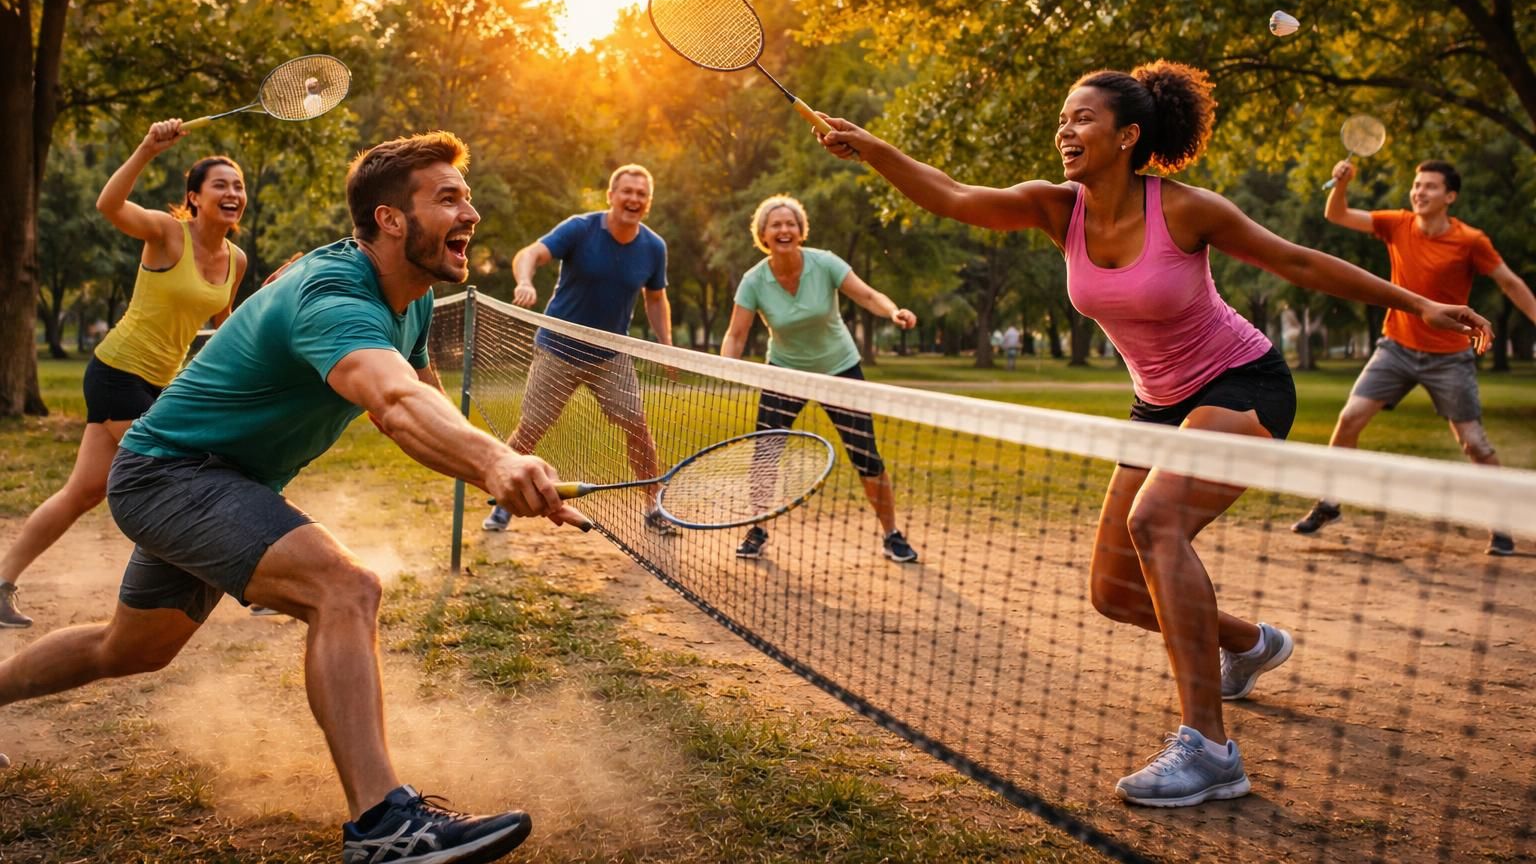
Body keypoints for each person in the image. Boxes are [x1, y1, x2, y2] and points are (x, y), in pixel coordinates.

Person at [815, 61, 1491, 808]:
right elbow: (952, 194)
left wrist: (1418, 304)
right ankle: (1248, 642)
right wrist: (872, 147)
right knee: (1111, 591)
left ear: (1128, 136)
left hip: (1243, 386)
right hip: (1159, 404)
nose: (1065, 131)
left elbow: (1297, 260)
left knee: (1156, 523)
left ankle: (1210, 749)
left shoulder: (1188, 209)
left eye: (1082, 119)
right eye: (1063, 118)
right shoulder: (1054, 207)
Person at [0, 132, 587, 862]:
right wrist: (497, 461)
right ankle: (382, 827)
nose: (469, 210)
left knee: (130, 649)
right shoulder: (336, 294)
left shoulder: (410, 302)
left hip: (216, 480)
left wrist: (503, 469)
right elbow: (395, 403)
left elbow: (424, 404)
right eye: (447, 197)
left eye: (466, 196)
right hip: (170, 473)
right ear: (390, 220)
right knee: (345, 588)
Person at [0, 121, 247, 630]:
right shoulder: (164, 232)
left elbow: (226, 333)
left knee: (83, 492)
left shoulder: (235, 260)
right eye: (220, 184)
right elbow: (108, 206)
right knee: (181, 468)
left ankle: (0, 581)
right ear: (194, 198)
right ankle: (248, 571)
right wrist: (146, 148)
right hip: (117, 371)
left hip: (158, 383)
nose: (232, 192)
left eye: (238, 185)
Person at [1294, 158, 1536, 554]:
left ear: (1450, 197)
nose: (1419, 191)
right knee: (1349, 418)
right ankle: (1329, 502)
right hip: (1396, 348)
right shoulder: (1397, 223)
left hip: (1450, 357)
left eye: (1430, 187)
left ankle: (1503, 522)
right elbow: (1336, 214)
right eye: (1417, 184)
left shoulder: (1471, 240)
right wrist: (1341, 183)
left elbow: (1510, 282)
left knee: (1474, 443)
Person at [720, 195, 920, 564]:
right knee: (764, 455)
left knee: (866, 457)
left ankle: (892, 535)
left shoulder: (824, 263)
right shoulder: (754, 280)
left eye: (790, 224)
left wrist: (893, 313)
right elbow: (736, 334)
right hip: (785, 373)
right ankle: (758, 528)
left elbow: (868, 295)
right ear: (763, 234)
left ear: (801, 230)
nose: (784, 230)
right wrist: (722, 368)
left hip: (839, 369)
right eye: (775, 225)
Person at [483, 164, 674, 535]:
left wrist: (667, 347)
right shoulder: (580, 228)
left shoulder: (653, 247)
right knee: (530, 431)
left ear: (647, 203)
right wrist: (525, 281)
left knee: (638, 429)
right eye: (627, 191)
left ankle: (654, 507)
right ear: (611, 196)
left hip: (610, 355)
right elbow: (530, 253)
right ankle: (504, 503)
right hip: (558, 349)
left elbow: (655, 299)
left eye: (641, 194)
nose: (633, 199)